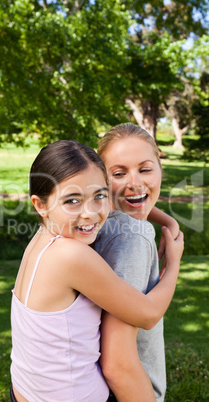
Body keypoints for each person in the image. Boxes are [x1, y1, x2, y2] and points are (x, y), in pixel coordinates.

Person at [10, 139, 183, 402]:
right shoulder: (73, 256)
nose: (90, 213)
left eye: (99, 196)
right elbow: (147, 315)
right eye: (72, 201)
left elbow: (110, 197)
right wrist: (173, 262)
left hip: (24, 391)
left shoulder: (43, 238)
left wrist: (167, 220)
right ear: (40, 204)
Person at [94, 123, 179, 401]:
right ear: (103, 181)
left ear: (159, 169)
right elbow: (117, 364)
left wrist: (169, 221)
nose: (134, 182)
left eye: (145, 169)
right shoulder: (134, 238)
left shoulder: (97, 219)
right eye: (119, 173)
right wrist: (173, 263)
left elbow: (135, 198)